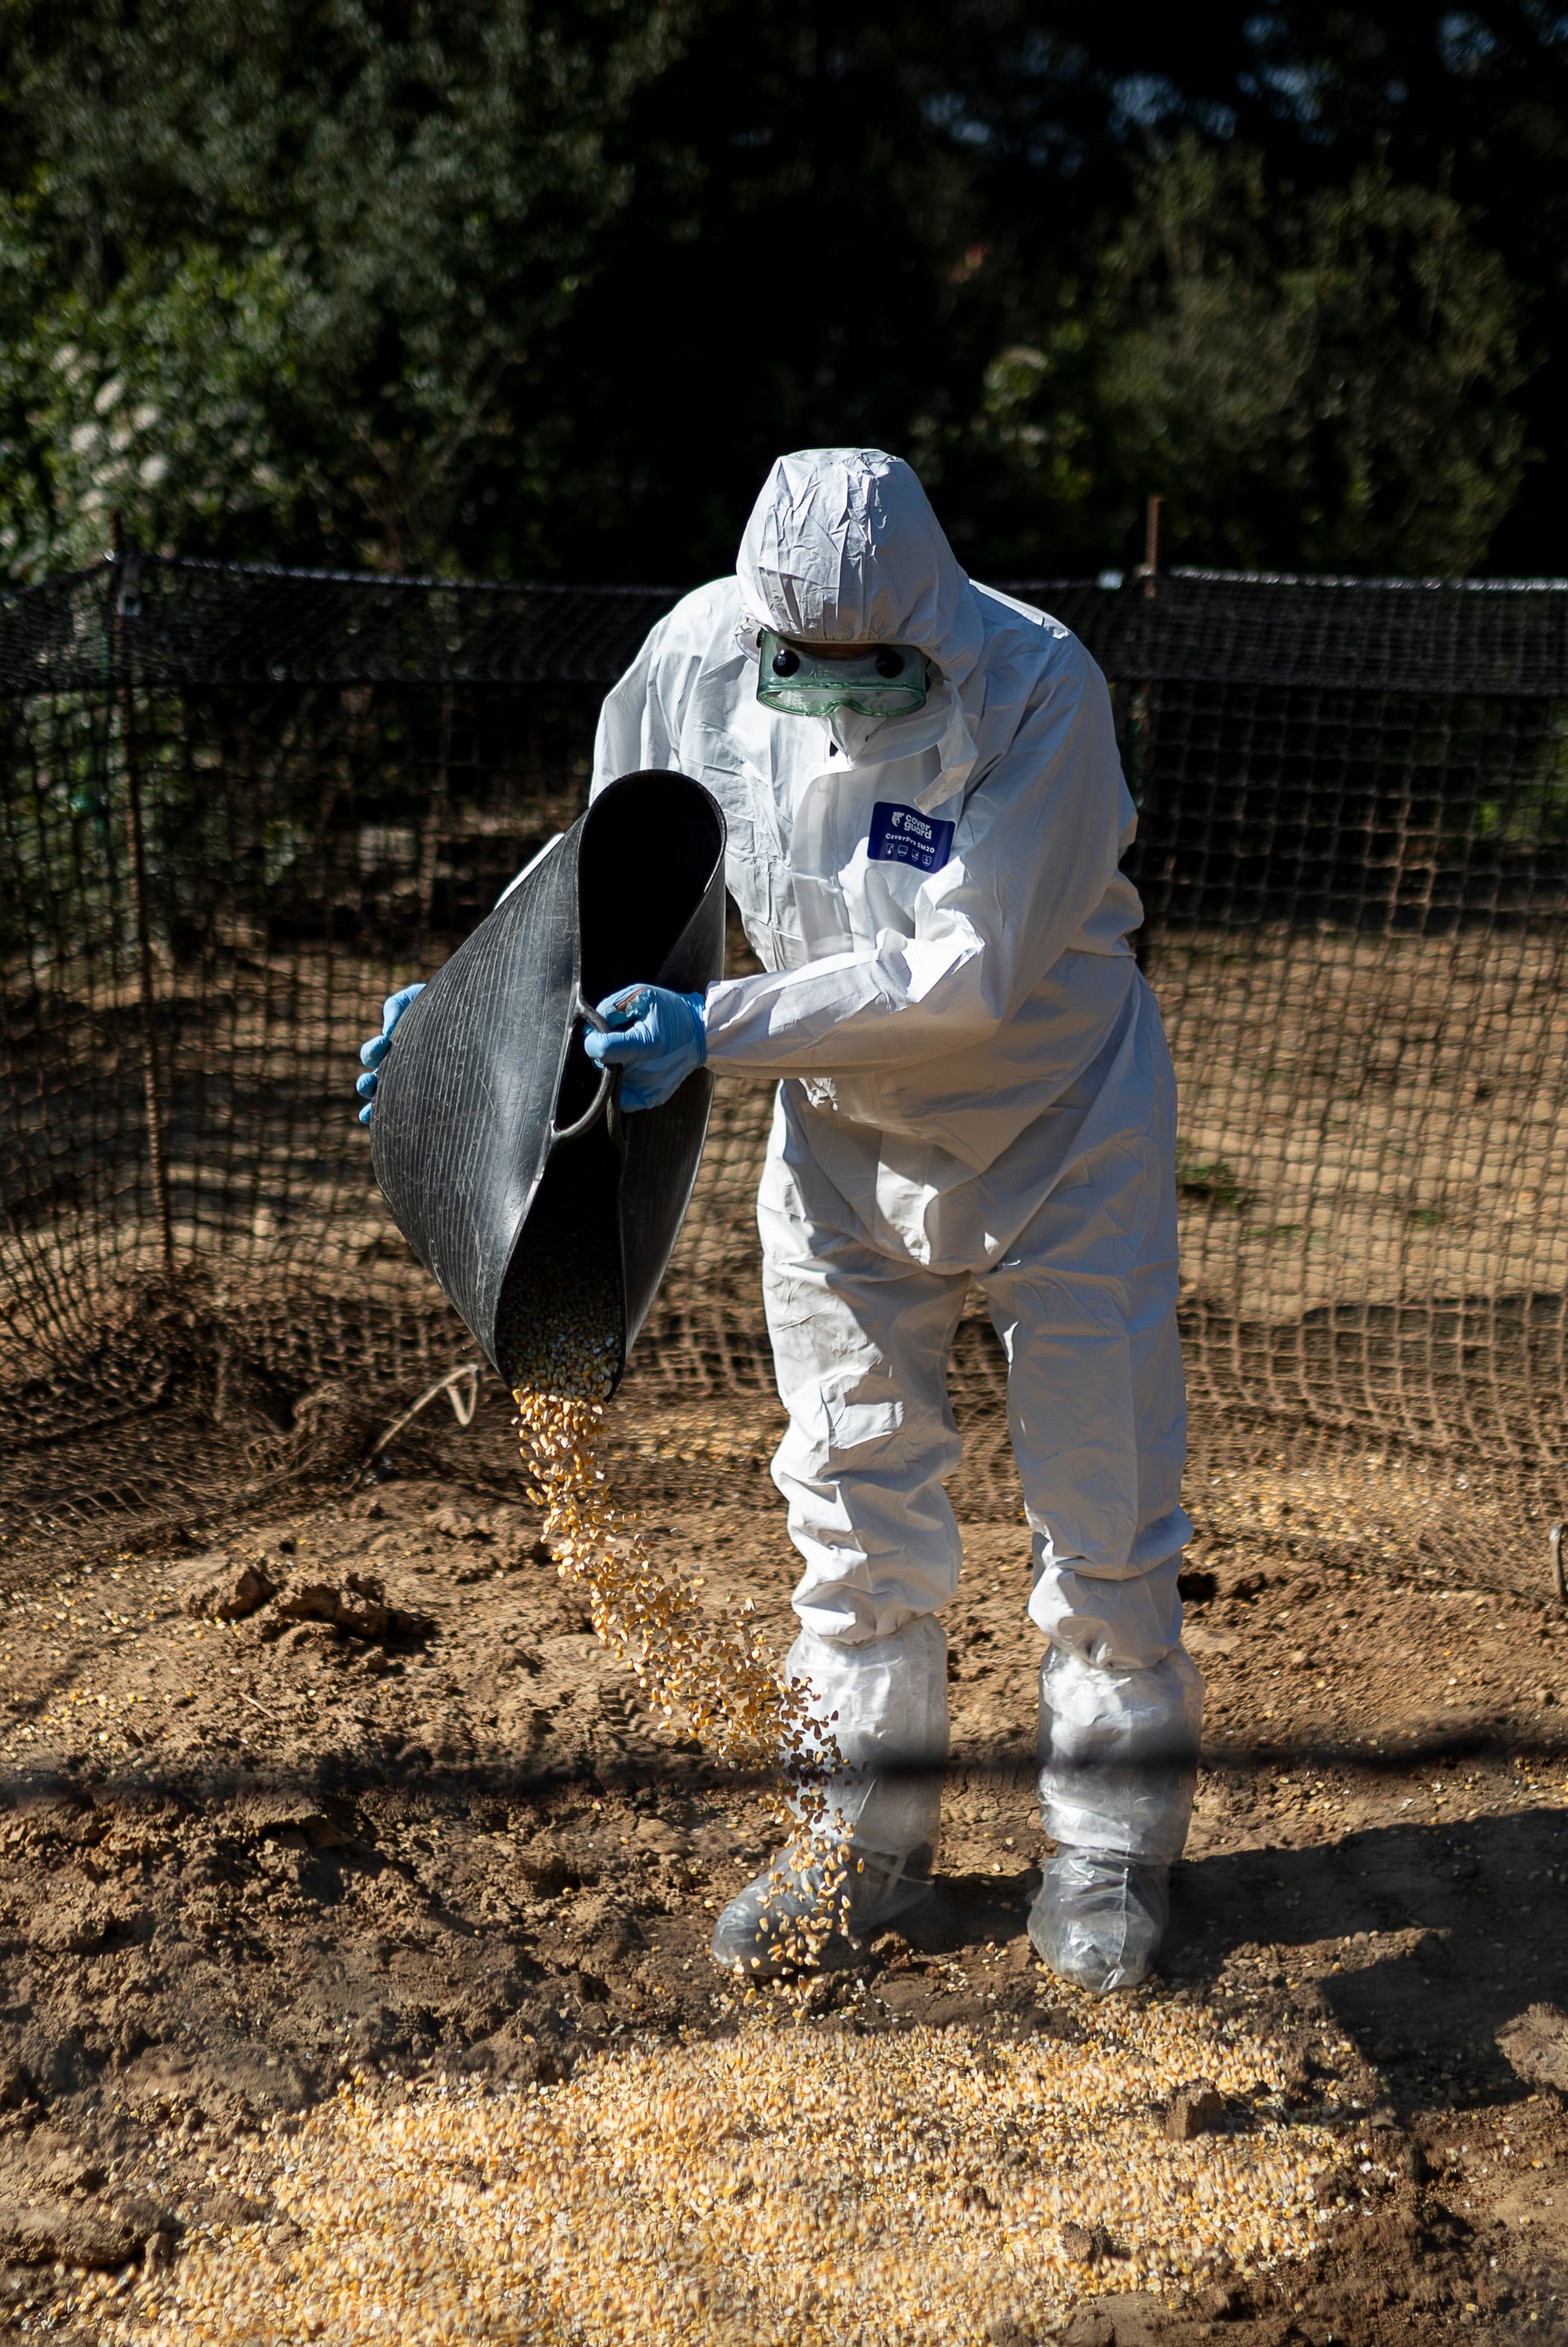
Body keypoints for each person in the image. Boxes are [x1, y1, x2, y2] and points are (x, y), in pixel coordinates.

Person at [359, 448, 1196, 1992]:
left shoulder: (1037, 692)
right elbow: (599, 882)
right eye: (793, 666)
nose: (828, 697)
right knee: (847, 1488)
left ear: (929, 627)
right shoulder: (688, 660)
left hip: (1058, 1131)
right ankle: (860, 1840)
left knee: (1105, 1505)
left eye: (867, 670)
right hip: (834, 1131)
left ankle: (1108, 1849)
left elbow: (968, 977)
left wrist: (715, 1030)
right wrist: (465, 1022)